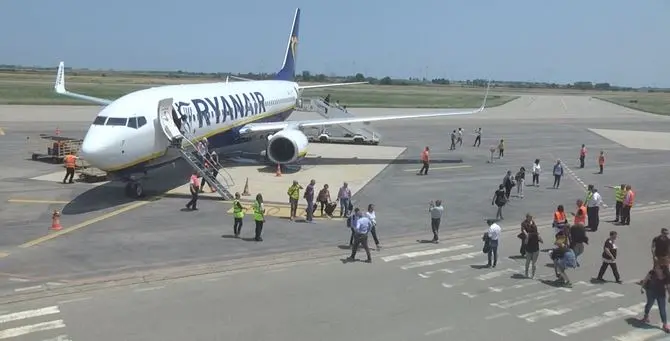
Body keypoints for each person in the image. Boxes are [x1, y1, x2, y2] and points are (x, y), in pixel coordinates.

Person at [639, 265, 670, 333]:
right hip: (650, 292)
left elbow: (668, 287)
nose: (655, 269)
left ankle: (665, 324)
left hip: (661, 294)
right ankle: (646, 317)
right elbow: (645, 279)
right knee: (649, 304)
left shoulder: (667, 276)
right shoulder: (652, 272)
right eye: (655, 267)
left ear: (662, 270)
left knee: (662, 309)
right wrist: (642, 288)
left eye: (657, 268)